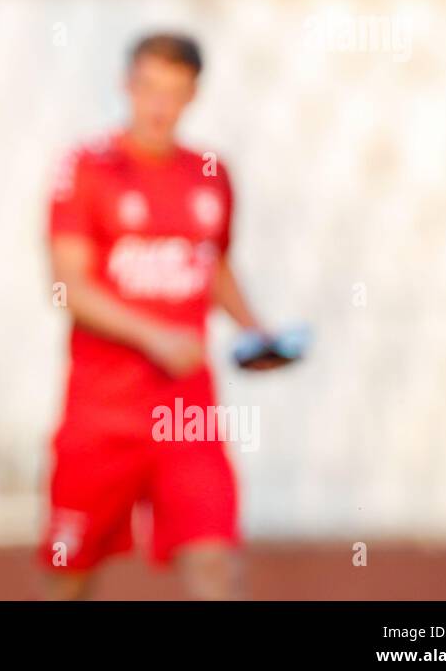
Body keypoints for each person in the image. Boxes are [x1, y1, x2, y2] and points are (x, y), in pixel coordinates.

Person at [40, 33, 287, 600]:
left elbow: (214, 266)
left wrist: (256, 331)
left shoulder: (211, 175)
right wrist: (155, 336)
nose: (159, 106)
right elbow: (68, 286)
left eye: (174, 92)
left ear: (193, 95)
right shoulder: (86, 168)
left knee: (215, 565)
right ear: (127, 86)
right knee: (70, 576)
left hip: (187, 414)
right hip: (101, 416)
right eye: (149, 87)